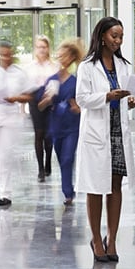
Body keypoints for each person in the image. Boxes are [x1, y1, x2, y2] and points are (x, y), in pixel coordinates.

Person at [75, 17, 135, 263]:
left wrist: (129, 101)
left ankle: (111, 239)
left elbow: (125, 98)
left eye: (121, 36)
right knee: (95, 187)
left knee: (115, 186)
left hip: (117, 134)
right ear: (102, 36)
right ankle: (95, 238)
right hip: (96, 134)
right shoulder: (87, 66)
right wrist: (107, 96)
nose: (118, 41)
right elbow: (81, 99)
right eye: (114, 36)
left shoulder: (123, 65)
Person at [0, 40, 33, 207]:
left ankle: (6, 193)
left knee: (5, 154)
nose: (4, 57)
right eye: (1, 54)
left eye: (7, 54)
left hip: (11, 116)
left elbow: (29, 96)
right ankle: (3, 189)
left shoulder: (19, 73)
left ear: (11, 54)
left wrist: (15, 98)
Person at [37, 39, 85, 205]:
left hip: (72, 125)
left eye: (64, 55)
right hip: (56, 126)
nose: (61, 58)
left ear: (71, 58)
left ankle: (68, 193)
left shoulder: (77, 81)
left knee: (67, 158)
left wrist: (78, 108)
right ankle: (68, 189)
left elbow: (83, 104)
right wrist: (48, 99)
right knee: (62, 158)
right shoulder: (52, 80)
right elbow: (41, 105)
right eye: (59, 55)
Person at [26, 35, 60, 182]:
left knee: (48, 136)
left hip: (50, 101)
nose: (41, 49)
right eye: (39, 47)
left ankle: (48, 163)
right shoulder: (29, 67)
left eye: (44, 47)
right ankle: (40, 168)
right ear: (35, 49)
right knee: (38, 134)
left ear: (48, 49)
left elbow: (58, 84)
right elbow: (25, 88)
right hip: (34, 102)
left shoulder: (54, 66)